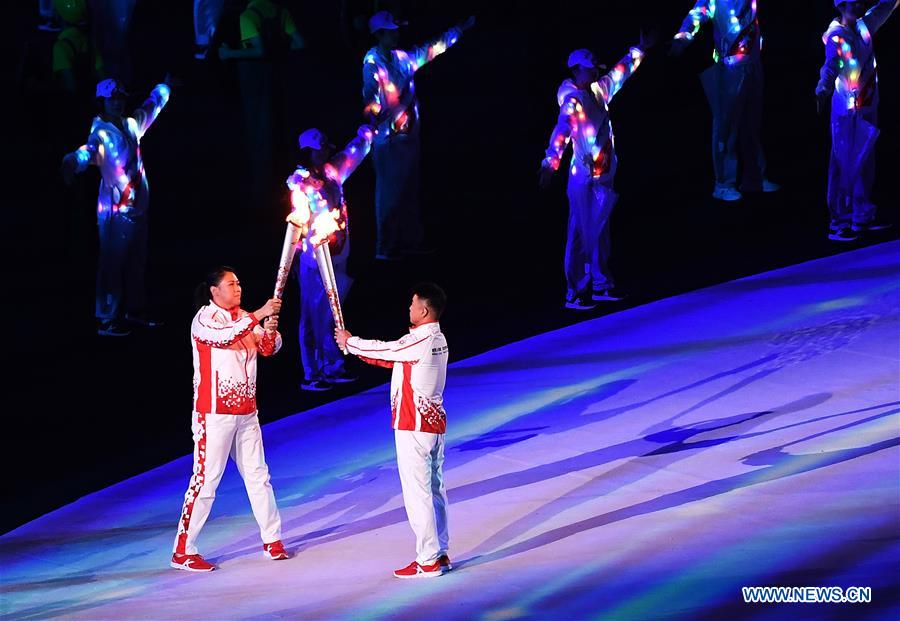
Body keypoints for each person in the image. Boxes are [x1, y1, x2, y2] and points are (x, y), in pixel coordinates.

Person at [171, 267, 289, 572]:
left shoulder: (244, 318)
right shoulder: (205, 320)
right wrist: (260, 314)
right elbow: (224, 338)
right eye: (230, 284)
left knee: (258, 476)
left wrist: (272, 329)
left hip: (247, 413)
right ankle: (183, 550)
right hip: (214, 415)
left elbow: (269, 348)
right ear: (214, 291)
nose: (237, 288)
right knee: (206, 481)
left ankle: (272, 539)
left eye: (239, 283)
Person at [335, 283, 451, 578]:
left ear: (424, 310)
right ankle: (439, 553)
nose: (408, 308)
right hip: (432, 424)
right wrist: (353, 349)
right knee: (435, 490)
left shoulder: (422, 341)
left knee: (418, 494)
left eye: (412, 304)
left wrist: (350, 342)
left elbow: (386, 350)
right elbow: (389, 358)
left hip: (414, 425)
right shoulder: (437, 339)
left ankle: (427, 559)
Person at [539, 32, 654, 310]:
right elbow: (561, 133)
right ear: (577, 70)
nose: (594, 73)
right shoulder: (572, 101)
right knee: (580, 233)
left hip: (603, 177)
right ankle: (575, 292)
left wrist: (638, 49)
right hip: (584, 180)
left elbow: (620, 73)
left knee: (600, 233)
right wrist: (549, 164)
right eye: (589, 69)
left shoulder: (598, 91)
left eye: (595, 69)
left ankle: (602, 284)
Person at [61, 77, 171, 336]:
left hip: (138, 207)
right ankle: (106, 318)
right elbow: (88, 152)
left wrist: (163, 88)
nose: (117, 103)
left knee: (137, 260)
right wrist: (72, 161)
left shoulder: (131, 125)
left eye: (120, 98)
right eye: (112, 99)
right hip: (114, 212)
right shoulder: (100, 133)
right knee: (112, 262)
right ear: (102, 102)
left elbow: (151, 107)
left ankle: (134, 309)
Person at [362, 11, 475, 260]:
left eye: (396, 30)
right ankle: (386, 246)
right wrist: (373, 116)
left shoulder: (402, 58)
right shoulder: (372, 63)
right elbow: (370, 97)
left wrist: (458, 30)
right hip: (389, 141)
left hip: (409, 138)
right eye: (390, 31)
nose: (396, 34)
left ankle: (411, 240)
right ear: (379, 34)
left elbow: (431, 49)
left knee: (409, 191)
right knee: (389, 195)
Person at [287, 125, 374, 391]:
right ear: (309, 152)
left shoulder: (332, 172)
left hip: (338, 256)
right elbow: (297, 216)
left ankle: (332, 366)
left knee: (332, 314)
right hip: (314, 260)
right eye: (322, 148)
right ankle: (313, 373)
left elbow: (354, 152)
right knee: (313, 316)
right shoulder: (300, 183)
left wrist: (366, 134)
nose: (327, 152)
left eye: (327, 148)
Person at [670, 0, 780, 201]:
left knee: (752, 123)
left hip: (754, 64)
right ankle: (723, 183)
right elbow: (697, 14)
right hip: (729, 68)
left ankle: (754, 177)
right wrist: (683, 37)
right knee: (726, 126)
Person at [816, 0, 897, 241]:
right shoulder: (835, 36)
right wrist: (822, 88)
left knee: (865, 160)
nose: (858, 6)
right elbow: (830, 65)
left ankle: (861, 214)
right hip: (846, 110)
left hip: (868, 105)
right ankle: (838, 220)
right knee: (843, 161)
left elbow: (884, 7)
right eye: (851, 3)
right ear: (841, 7)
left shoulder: (864, 26)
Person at [52, 0, 103, 94]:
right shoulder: (90, 43)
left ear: (58, 15)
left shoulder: (61, 47)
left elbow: (70, 87)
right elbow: (102, 76)